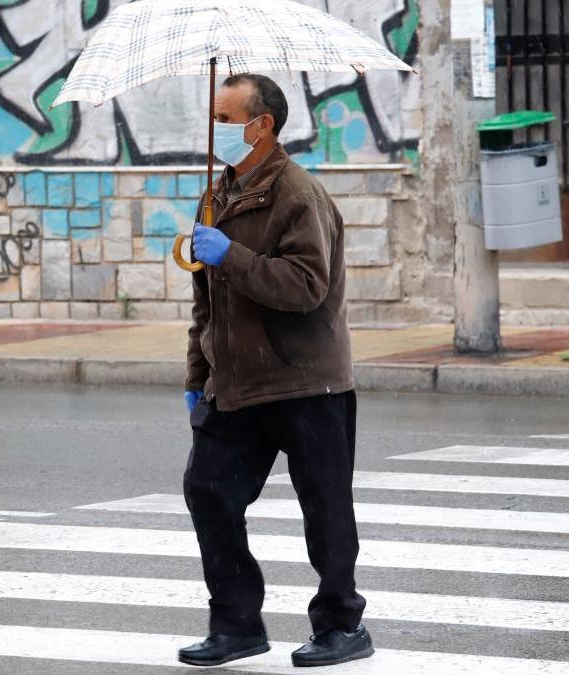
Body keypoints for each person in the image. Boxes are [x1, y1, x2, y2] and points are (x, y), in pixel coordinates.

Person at [176, 73, 371, 669]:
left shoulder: (298, 193)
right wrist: (195, 377)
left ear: (262, 125)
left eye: (227, 120)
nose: (216, 131)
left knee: (325, 505)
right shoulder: (218, 195)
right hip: (236, 381)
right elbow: (206, 301)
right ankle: (237, 625)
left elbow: (306, 287)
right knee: (207, 489)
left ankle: (341, 625)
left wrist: (230, 255)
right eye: (214, 119)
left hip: (307, 379)